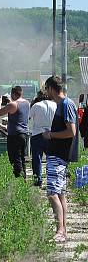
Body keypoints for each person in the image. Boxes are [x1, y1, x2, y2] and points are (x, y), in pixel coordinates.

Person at [42, 75, 77, 242]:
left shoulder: (66, 104)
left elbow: (72, 131)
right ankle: (63, 230)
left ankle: (60, 231)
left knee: (52, 193)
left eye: (46, 89)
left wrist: (51, 135)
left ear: (50, 88)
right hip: (57, 155)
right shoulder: (61, 104)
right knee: (60, 194)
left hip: (58, 156)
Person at [0, 86, 30, 178]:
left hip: (14, 135)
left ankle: (18, 178)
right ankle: (23, 178)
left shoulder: (12, 105)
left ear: (13, 94)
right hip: (24, 134)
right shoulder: (27, 103)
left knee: (14, 158)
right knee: (21, 157)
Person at [29, 90, 56, 187]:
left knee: (37, 158)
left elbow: (28, 116)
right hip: (51, 135)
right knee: (51, 158)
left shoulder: (36, 106)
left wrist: (32, 103)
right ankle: (52, 178)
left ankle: (38, 179)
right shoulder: (54, 105)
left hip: (37, 134)